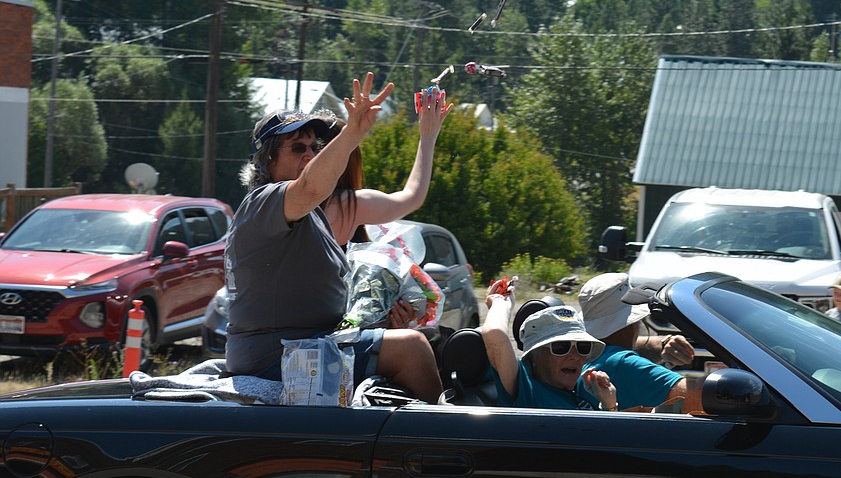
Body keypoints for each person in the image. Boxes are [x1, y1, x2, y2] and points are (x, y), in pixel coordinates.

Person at [224, 74, 449, 403]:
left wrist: (382, 315)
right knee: (411, 349)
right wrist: (353, 133)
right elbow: (311, 187)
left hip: (306, 347)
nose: (309, 155)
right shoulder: (265, 201)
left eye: (314, 148)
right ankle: (443, 444)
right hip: (276, 358)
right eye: (298, 148)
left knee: (434, 340)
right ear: (268, 159)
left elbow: (409, 198)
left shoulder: (313, 212)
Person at [482, 277, 618, 410]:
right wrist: (500, 302)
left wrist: (609, 404)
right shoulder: (527, 389)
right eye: (561, 347)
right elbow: (495, 335)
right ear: (534, 355)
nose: (575, 356)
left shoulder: (586, 392)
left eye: (583, 347)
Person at [577, 273, 702, 411]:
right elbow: (703, 398)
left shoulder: (583, 352)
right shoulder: (624, 365)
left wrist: (663, 343)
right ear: (633, 322)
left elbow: (633, 345)